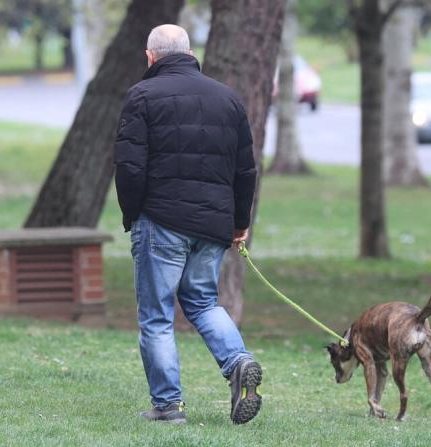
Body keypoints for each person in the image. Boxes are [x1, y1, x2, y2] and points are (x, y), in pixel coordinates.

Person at [114, 24, 261, 425]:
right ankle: (238, 362)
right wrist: (238, 223)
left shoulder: (141, 96)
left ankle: (168, 406)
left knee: (157, 315)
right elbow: (245, 170)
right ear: (189, 52)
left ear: (150, 56)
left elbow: (129, 167)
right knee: (202, 302)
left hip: (161, 219)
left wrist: (133, 214)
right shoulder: (227, 98)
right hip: (212, 224)